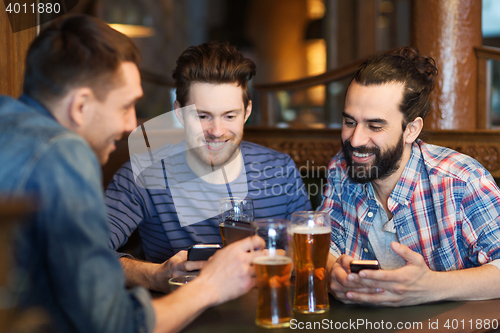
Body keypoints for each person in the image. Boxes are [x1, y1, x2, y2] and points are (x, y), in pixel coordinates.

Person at [0, 14, 265, 333]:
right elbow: (117, 326)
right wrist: (210, 285)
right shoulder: (64, 153)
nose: (131, 124)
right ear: (80, 106)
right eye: (126, 106)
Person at [104, 41, 311, 292]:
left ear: (247, 112)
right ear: (179, 113)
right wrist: (154, 275)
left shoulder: (281, 171)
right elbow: (85, 253)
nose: (217, 131)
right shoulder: (143, 174)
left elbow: (307, 259)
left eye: (230, 116)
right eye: (202, 116)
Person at [319, 46, 500, 307]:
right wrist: (330, 271)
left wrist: (431, 286)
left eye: (375, 126)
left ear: (411, 130)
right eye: (349, 122)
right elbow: (326, 242)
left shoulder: (461, 179)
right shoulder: (341, 169)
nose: (355, 139)